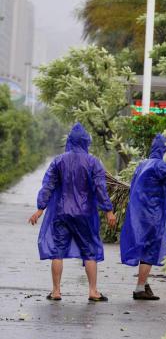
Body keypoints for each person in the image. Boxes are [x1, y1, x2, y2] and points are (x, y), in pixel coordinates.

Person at [28, 122, 116, 302]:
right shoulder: (93, 162)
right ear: (86, 142)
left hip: (61, 212)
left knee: (57, 251)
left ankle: (56, 291)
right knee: (89, 251)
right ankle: (93, 291)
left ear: (69, 140)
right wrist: (108, 211)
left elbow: (48, 186)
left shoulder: (58, 160)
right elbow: (100, 188)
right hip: (85, 213)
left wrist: (40, 209)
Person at [120, 134, 166, 300]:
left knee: (145, 248)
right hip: (152, 214)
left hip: (139, 213)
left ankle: (143, 285)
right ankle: (139, 289)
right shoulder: (159, 165)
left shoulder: (143, 164)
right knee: (149, 250)